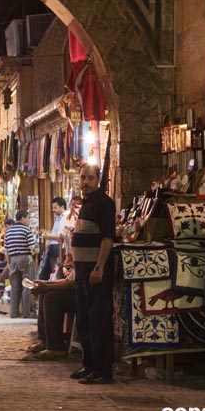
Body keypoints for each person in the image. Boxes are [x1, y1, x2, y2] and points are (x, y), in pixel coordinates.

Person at [69, 163, 116, 384]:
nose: (85, 182)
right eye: (82, 178)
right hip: (81, 271)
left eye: (90, 178)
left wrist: (99, 267)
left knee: (99, 321)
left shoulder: (104, 204)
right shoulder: (86, 204)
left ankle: (103, 370)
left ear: (98, 180)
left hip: (94, 272)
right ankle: (89, 365)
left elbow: (107, 238)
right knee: (85, 321)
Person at [22, 267, 76, 360]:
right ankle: (45, 340)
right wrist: (45, 284)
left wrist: (48, 286)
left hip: (83, 295)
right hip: (75, 290)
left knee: (51, 297)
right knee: (44, 294)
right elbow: (68, 280)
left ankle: (56, 348)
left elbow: (73, 284)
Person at [3, 209, 36, 319]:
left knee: (15, 286)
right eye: (27, 218)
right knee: (27, 284)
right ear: (22, 218)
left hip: (13, 260)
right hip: (25, 258)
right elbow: (32, 247)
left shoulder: (8, 231)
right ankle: (26, 313)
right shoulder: (26, 230)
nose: (28, 221)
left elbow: (6, 250)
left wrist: (8, 263)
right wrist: (34, 252)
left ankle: (14, 312)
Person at [38, 197, 67, 280]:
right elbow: (56, 234)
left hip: (57, 249)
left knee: (54, 272)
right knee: (49, 273)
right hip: (52, 249)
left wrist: (48, 236)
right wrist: (47, 233)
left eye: (55, 207)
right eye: (52, 208)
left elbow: (61, 237)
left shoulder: (64, 218)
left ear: (62, 207)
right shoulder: (58, 218)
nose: (53, 210)